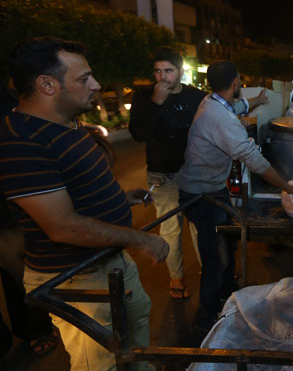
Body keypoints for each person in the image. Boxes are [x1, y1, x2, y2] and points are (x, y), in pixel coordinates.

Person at [0, 37, 168, 371]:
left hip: (109, 262)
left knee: (136, 334)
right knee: (100, 362)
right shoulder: (21, 141)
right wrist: (141, 239)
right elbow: (61, 226)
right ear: (47, 85)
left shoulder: (68, 124)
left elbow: (75, 189)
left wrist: (121, 198)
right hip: (76, 278)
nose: (96, 85)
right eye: (84, 78)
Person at [175, 61, 293, 335]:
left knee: (228, 244)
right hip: (201, 194)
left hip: (212, 189)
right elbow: (254, 161)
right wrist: (289, 187)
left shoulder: (212, 102)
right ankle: (206, 320)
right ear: (236, 82)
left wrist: (257, 101)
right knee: (215, 259)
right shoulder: (220, 119)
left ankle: (227, 296)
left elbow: (236, 107)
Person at [129, 47, 206, 300]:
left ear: (180, 72)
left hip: (194, 172)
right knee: (171, 229)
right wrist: (156, 103)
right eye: (158, 71)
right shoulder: (144, 97)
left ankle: (208, 272)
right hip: (162, 174)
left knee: (199, 226)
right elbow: (138, 133)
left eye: (168, 71)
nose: (163, 77)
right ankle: (177, 277)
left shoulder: (196, 97)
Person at [0, 83, 60, 364]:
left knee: (19, 276)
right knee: (23, 275)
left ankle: (34, 330)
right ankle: (35, 330)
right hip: (9, 217)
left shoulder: (11, 113)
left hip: (10, 213)